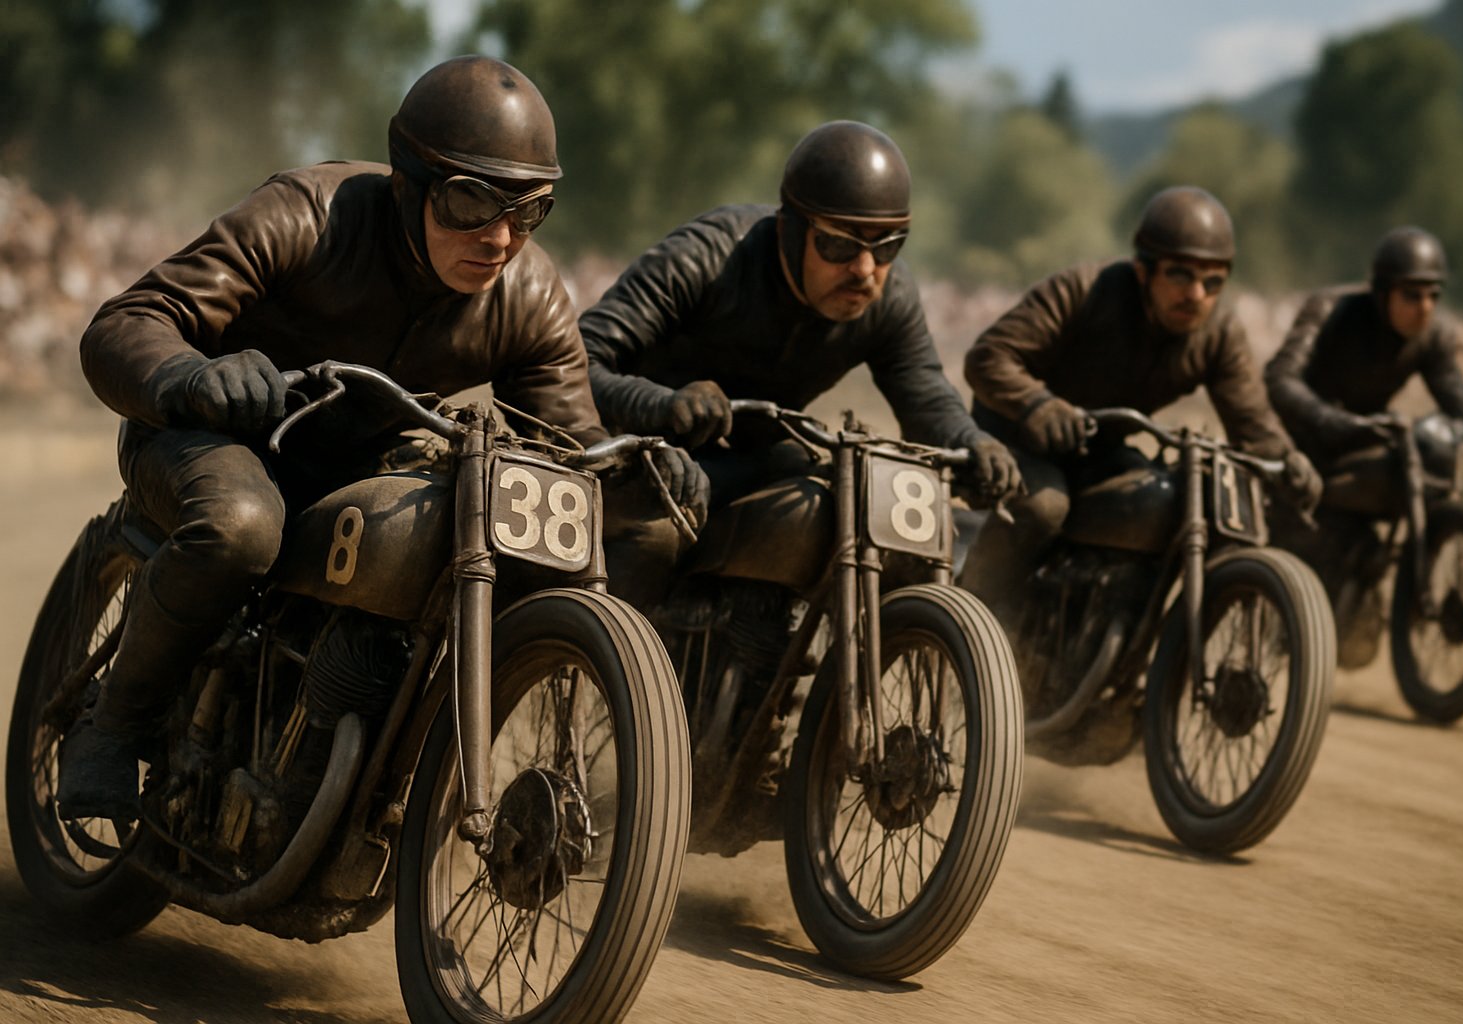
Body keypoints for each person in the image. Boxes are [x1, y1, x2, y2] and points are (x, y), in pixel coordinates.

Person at [57, 55, 701, 820]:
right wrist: (193, 379)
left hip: (358, 467)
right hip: (217, 435)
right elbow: (126, 324)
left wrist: (638, 480)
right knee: (241, 526)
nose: (501, 238)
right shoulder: (305, 214)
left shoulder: (529, 296)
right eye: (473, 202)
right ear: (411, 182)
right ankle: (112, 723)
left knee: (451, 537)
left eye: (529, 212)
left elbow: (571, 442)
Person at [580, 119, 1020, 599]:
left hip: (760, 461)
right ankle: (614, 664)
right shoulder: (705, 258)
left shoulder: (890, 298)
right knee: (656, 534)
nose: (865, 269)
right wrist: (661, 404)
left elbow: (925, 394)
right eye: (839, 244)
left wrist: (972, 442)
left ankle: (768, 644)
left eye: (888, 244)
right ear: (789, 230)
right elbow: (578, 361)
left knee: (840, 509)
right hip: (648, 457)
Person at [959, 185, 1321, 620]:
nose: (1197, 294)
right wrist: (1038, 405)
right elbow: (988, 356)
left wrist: (1286, 459)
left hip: (1102, 449)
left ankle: (1117, 624)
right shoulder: (1083, 291)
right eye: (1181, 275)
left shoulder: (1220, 333)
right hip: (1018, 435)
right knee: (1044, 507)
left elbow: (1252, 420)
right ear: (1143, 271)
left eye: (1213, 281)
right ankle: (971, 617)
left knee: (1162, 500)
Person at [1263, 226, 1463, 660]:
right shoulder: (1329, 311)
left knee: (1416, 462)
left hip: (1367, 436)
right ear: (1383, 293)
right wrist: (1328, 419)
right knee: (1308, 526)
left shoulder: (1432, 335)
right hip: (1306, 443)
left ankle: (1374, 585)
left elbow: (1451, 388)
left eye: (1433, 295)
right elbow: (1280, 377)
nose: (1425, 308)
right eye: (1412, 295)